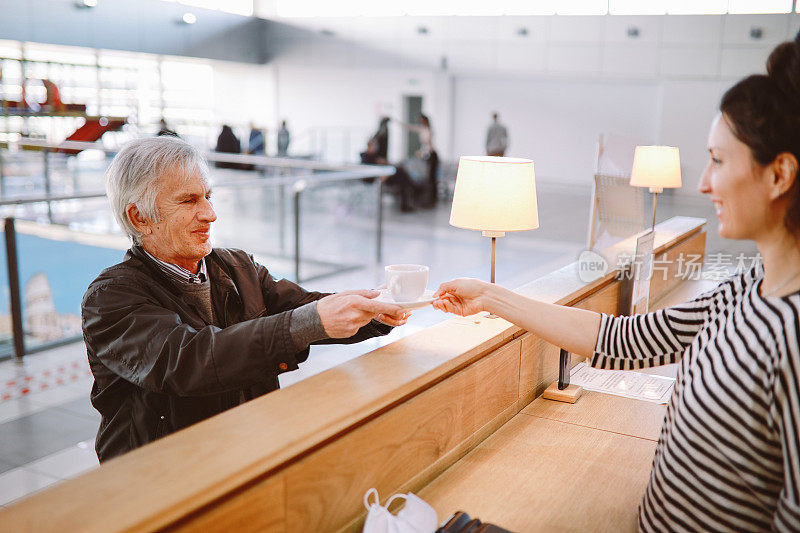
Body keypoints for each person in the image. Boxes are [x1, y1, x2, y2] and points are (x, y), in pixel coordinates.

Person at [434, 32, 800, 532]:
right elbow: (625, 340)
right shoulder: (750, 285)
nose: (702, 184)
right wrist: (492, 296)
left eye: (718, 160)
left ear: (779, 175)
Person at [82, 136, 408, 462]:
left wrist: (383, 306)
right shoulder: (110, 299)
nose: (210, 214)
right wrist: (313, 320)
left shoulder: (236, 266)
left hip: (249, 452)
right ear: (140, 218)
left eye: (208, 196)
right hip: (164, 476)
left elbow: (303, 307)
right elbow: (191, 359)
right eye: (188, 201)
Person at [360, 138, 418, 213]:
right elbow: (369, 174)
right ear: (369, 146)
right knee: (401, 175)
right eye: (374, 146)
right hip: (378, 179)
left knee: (401, 175)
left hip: (385, 176)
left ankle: (409, 192)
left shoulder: (375, 157)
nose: (375, 148)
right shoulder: (366, 158)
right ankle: (411, 188)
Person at [396, 114, 438, 207]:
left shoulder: (428, 130)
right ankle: (428, 200)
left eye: (421, 120)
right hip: (427, 155)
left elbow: (429, 146)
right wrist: (397, 121)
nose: (420, 122)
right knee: (427, 179)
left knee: (431, 179)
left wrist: (423, 152)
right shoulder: (422, 129)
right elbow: (410, 127)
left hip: (432, 156)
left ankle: (432, 201)